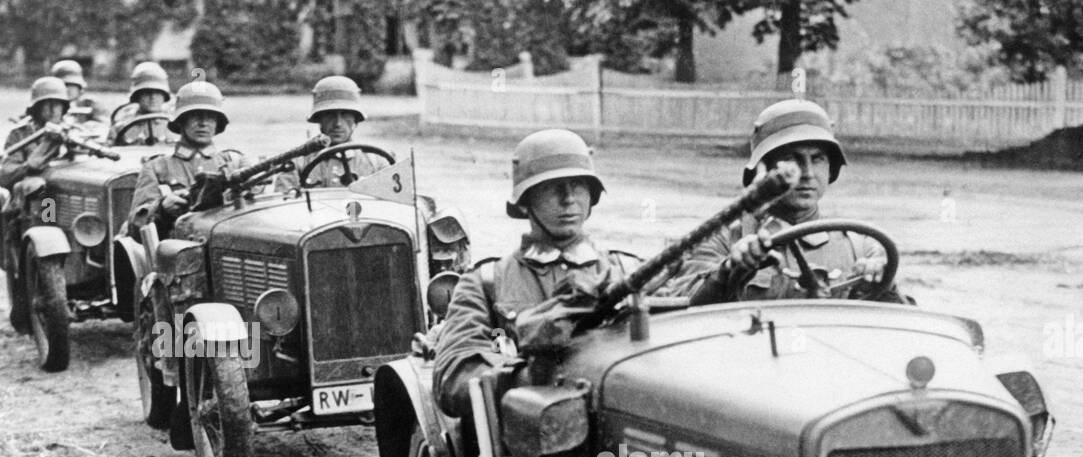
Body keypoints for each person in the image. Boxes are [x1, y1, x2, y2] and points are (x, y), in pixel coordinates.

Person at [430, 128, 633, 420]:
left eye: (578, 186)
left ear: (592, 196)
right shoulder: (487, 282)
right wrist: (530, 375)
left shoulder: (624, 271)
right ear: (526, 201)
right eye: (553, 187)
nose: (568, 199)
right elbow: (454, 376)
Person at [667, 99, 911, 305]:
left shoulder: (860, 247)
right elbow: (683, 309)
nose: (807, 173)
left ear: (831, 169)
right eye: (792, 159)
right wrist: (730, 269)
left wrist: (880, 285)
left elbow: (896, 329)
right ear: (764, 171)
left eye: (817, 159)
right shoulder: (722, 238)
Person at [129, 79, 247, 238]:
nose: (203, 123)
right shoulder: (156, 168)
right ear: (181, 121)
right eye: (195, 116)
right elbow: (135, 227)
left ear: (218, 123)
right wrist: (162, 209)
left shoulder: (235, 162)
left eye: (211, 117)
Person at [273, 76, 388, 191]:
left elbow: (393, 204)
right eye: (330, 115)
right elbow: (282, 204)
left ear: (355, 119)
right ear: (319, 119)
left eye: (345, 114)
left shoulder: (377, 163)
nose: (338, 123)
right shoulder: (297, 163)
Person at [1, 77, 73, 241]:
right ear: (36, 107)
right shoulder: (21, 133)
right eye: (48, 104)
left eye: (58, 104)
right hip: (40, 200)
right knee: (41, 190)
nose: (54, 110)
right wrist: (28, 166)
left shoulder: (73, 131)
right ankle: (43, 240)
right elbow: (5, 175)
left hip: (69, 200)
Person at [110, 62, 174, 144]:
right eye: (147, 92)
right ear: (137, 96)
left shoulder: (176, 125)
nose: (153, 97)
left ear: (164, 96)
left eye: (158, 92)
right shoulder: (121, 126)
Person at [51, 59, 107, 133]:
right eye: (62, 85)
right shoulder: (48, 106)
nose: (67, 89)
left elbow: (104, 127)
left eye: (71, 85)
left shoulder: (90, 104)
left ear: (80, 88)